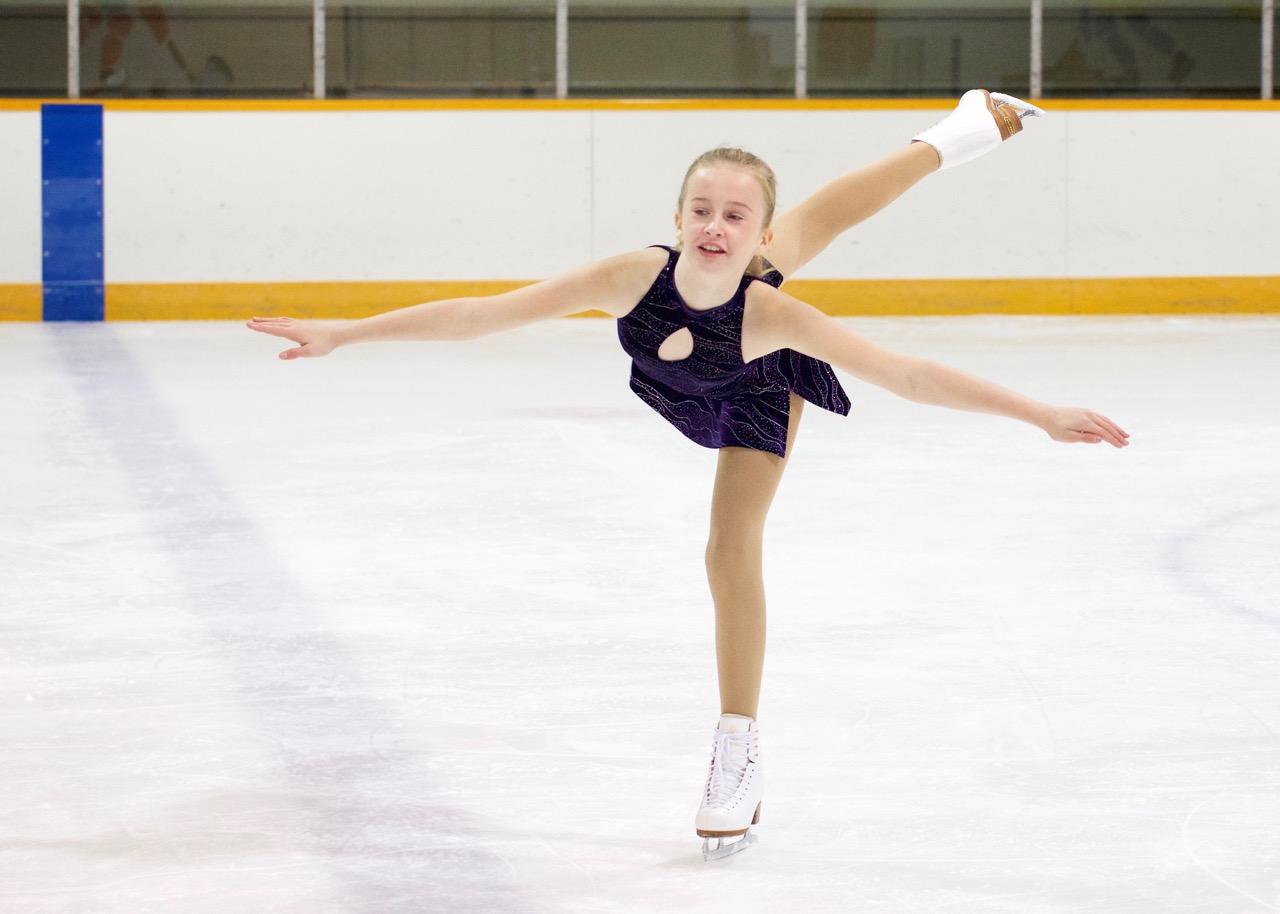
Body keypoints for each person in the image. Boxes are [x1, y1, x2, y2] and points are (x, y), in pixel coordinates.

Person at [247, 90, 1129, 862]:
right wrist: (348, 332)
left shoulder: (773, 314)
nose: (714, 225)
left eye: (734, 216)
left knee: (727, 548)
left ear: (752, 233)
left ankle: (738, 746)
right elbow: (484, 315)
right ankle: (966, 125)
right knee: (812, 227)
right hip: (699, 345)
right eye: (701, 210)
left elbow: (906, 375)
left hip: (753, 385)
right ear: (676, 221)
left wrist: (1039, 413)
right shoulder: (632, 278)